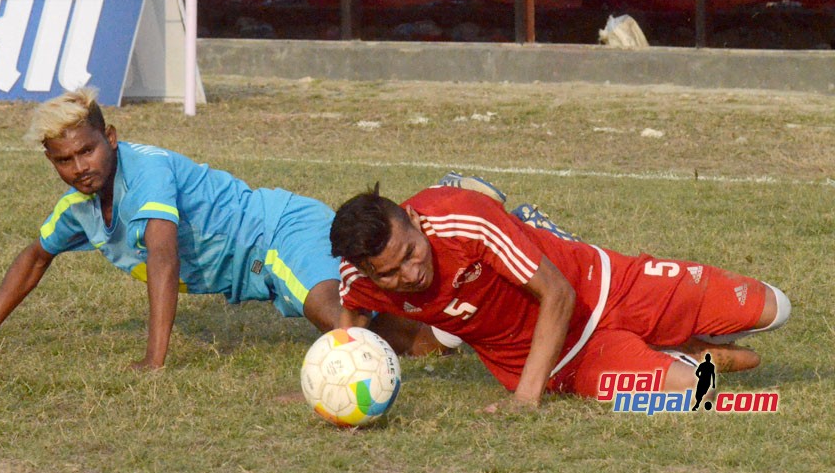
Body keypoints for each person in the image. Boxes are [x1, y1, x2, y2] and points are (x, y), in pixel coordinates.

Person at [0, 88, 445, 369]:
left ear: (110, 137)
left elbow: (163, 256)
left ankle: (342, 392)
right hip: (262, 269)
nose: (79, 167)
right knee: (404, 341)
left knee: (346, 339)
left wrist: (154, 361)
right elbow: (34, 257)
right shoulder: (81, 209)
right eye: (64, 160)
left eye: (87, 150)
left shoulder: (148, 171)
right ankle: (453, 326)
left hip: (275, 232)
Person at [329, 184, 791, 411]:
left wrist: (525, 400)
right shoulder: (358, 276)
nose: (411, 273)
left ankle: (670, 336)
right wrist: (329, 384)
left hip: (606, 287)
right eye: (390, 273)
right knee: (694, 391)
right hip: (558, 359)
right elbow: (348, 339)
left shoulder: (463, 218)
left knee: (775, 307)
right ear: (368, 270)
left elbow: (558, 293)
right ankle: (677, 349)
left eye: (411, 252)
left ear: (414, 217)